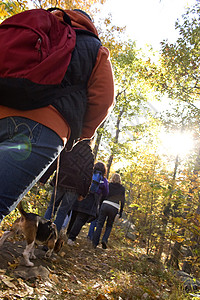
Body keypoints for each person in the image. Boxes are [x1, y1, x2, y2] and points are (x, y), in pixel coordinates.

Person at [0, 9, 114, 224]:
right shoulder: (95, 49)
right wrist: (79, 134)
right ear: (89, 25)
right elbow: (103, 101)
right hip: (46, 129)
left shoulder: (36, 25)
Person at [39, 139, 94, 232]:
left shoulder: (70, 146)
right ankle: (51, 238)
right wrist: (83, 194)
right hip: (75, 187)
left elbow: (56, 162)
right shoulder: (89, 156)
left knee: (51, 207)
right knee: (62, 212)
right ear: (91, 141)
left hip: (61, 180)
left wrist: (44, 178)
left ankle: (41, 233)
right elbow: (89, 176)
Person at [67, 162, 109, 245]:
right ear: (104, 171)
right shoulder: (104, 180)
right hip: (92, 200)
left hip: (81, 195)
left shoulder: (88, 174)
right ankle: (71, 238)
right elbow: (106, 193)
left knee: (74, 216)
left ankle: (67, 234)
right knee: (81, 219)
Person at [92, 173, 125, 249]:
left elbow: (103, 195)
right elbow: (123, 201)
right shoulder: (122, 188)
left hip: (105, 204)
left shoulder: (109, 185)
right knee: (109, 225)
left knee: (100, 224)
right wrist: (121, 212)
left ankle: (94, 242)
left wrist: (100, 205)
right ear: (119, 180)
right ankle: (104, 240)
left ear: (112, 178)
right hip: (114, 207)